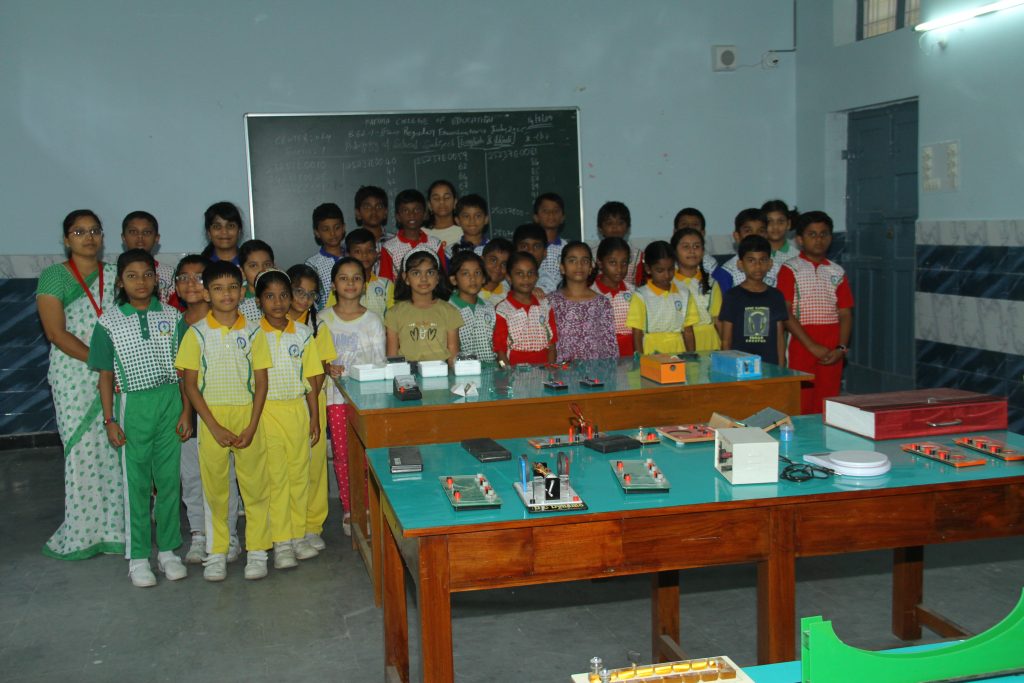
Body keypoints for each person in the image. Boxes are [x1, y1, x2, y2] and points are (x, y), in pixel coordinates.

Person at [88, 249, 187, 587]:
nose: (141, 282)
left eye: (147, 275)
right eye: (132, 276)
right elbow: (104, 375)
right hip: (133, 405)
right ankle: (139, 557)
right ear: (121, 282)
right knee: (138, 484)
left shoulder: (173, 316)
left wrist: (186, 410)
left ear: (156, 279)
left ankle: (168, 551)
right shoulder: (109, 322)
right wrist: (109, 420)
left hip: (170, 400)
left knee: (169, 481)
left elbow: (185, 370)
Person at [174, 260, 274, 582]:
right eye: (217, 288)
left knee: (255, 487)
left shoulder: (255, 331)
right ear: (206, 293)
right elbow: (190, 385)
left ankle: (257, 551)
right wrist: (213, 426)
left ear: (243, 292)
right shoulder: (196, 333)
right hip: (211, 418)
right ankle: (216, 552)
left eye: (232, 287)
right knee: (215, 490)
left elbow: (262, 383)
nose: (226, 294)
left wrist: (252, 425)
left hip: (247, 416)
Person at [36, 210, 124, 560]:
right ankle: (84, 532)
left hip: (117, 374)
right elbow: (55, 333)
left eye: (94, 230)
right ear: (66, 239)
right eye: (79, 231)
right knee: (82, 451)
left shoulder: (115, 274)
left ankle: (118, 530)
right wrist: (101, 362)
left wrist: (116, 367)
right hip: (74, 373)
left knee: (116, 450)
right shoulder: (54, 276)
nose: (88, 237)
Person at [172, 255, 241, 566]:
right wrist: (184, 413)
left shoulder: (228, 324)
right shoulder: (173, 324)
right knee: (192, 477)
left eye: (199, 277)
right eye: (183, 278)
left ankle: (229, 534)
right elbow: (181, 376)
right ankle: (199, 534)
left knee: (225, 478)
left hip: (223, 410)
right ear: (175, 287)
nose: (191, 284)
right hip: (185, 413)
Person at [254, 269, 323, 569]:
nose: (278, 302)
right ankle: (281, 542)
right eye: (270, 296)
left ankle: (298, 535)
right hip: (267, 412)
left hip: (297, 410)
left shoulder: (304, 333)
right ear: (258, 301)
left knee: (299, 474)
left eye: (284, 295)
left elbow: (313, 378)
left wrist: (314, 417)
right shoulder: (252, 334)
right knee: (276, 478)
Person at [321, 257, 386, 536]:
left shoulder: (373, 320)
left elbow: (380, 363)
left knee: (367, 455)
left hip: (366, 401)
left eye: (356, 278)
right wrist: (326, 367)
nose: (350, 283)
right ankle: (350, 509)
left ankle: (368, 507)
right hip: (335, 399)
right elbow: (314, 360)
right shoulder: (322, 319)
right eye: (344, 278)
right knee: (343, 456)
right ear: (333, 284)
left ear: (365, 284)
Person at [776, 211, 854, 414]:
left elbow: (845, 314)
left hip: (832, 342)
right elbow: (785, 311)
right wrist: (811, 345)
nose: (818, 239)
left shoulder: (837, 272)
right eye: (812, 234)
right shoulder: (791, 269)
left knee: (828, 400)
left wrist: (841, 348)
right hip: (801, 341)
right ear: (800, 239)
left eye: (823, 234)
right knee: (801, 399)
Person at [285, 263, 337, 550]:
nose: (304, 299)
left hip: (313, 402)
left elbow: (323, 367)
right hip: (282, 403)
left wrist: (311, 406)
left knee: (314, 467)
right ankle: (289, 526)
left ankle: (311, 525)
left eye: (311, 294)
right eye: (298, 292)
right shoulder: (272, 323)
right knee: (287, 468)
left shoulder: (318, 326)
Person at [719, 235, 788, 365]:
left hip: (770, 366)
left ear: (770, 264)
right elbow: (726, 340)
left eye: (763, 260)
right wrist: (728, 367)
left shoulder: (776, 296)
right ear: (740, 264)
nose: (758, 266)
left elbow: (780, 337)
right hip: (740, 367)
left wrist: (781, 367)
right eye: (751, 260)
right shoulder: (732, 296)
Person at [384, 250, 462, 362]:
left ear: (438, 277)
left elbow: (453, 356)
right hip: (407, 371)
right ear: (406, 278)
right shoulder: (394, 313)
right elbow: (392, 357)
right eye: (416, 273)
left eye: (430, 272)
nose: (424, 279)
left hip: (441, 371)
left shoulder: (450, 311)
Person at [548, 241, 617, 362]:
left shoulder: (602, 303)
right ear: (562, 267)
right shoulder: (550, 302)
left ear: (590, 268)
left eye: (584, 261)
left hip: (595, 370)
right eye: (572, 260)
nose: (579, 265)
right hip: (562, 370)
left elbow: (610, 344)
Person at [627, 240, 697, 355]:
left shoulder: (684, 294)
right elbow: (637, 333)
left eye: (671, 269)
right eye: (660, 270)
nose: (667, 275)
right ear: (648, 269)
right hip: (651, 352)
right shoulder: (641, 296)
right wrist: (640, 359)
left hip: (678, 350)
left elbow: (688, 331)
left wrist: (692, 356)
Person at [493, 252, 558, 366]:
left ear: (537, 276)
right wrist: (506, 371)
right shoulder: (502, 310)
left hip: (544, 370)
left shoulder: (545, 306)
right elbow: (500, 352)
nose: (526, 278)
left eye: (530, 273)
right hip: (514, 372)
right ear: (509, 277)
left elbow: (552, 345)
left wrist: (551, 368)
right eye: (519, 273)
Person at [378, 189, 446, 281]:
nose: (412, 215)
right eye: (405, 211)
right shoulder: (389, 248)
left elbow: (442, 278)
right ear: (398, 217)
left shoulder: (435, 244)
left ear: (425, 214)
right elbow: (385, 282)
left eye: (417, 210)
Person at [672, 228, 722, 351]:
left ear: (703, 251)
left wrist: (727, 347)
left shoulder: (711, 282)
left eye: (696, 246)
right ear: (674, 252)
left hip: (710, 342)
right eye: (686, 247)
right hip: (680, 342)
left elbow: (718, 320)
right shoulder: (670, 283)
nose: (692, 251)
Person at [714, 208, 779, 293]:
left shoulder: (777, 268)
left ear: (767, 235)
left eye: (761, 231)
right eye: (748, 231)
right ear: (737, 236)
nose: (755, 235)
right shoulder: (726, 272)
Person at [447, 251, 497, 362]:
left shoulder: (489, 307)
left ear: (484, 278)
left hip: (492, 368)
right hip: (464, 370)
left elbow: (497, 345)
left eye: (477, 273)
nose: (473, 278)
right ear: (454, 280)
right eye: (465, 273)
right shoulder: (448, 309)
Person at [592, 237, 636, 357]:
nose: (619, 269)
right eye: (612, 262)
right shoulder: (591, 293)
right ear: (600, 263)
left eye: (624, 263)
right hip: (602, 354)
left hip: (630, 352)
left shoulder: (633, 292)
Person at [121, 210, 175, 304]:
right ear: (123, 237)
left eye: (147, 232)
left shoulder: (169, 273)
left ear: (156, 238)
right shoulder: (113, 272)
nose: (140, 237)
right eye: (133, 232)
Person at [305, 202, 346, 310]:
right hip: (324, 317)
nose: (332, 233)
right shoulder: (312, 264)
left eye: (337, 227)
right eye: (326, 229)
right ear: (317, 233)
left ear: (343, 228)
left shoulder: (353, 257)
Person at [345, 228, 393, 317]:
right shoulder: (342, 285)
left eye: (370, 250)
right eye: (358, 251)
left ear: (376, 253)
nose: (364, 255)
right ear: (348, 255)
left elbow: (392, 316)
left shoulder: (386, 284)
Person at [593, 201, 644, 286]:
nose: (615, 228)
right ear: (600, 228)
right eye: (609, 223)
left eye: (620, 223)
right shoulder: (591, 255)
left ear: (628, 228)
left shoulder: (638, 256)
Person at [533, 193, 566, 294]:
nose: (551, 214)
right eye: (545, 211)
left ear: (562, 217)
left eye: (556, 211)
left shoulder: (566, 248)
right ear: (536, 217)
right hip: (534, 296)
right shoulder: (529, 247)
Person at [672, 207, 719, 276]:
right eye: (684, 224)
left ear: (703, 233)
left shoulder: (709, 263)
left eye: (695, 225)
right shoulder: (667, 261)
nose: (689, 228)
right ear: (675, 232)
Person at [238, 239, 275, 323]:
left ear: (274, 267)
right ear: (242, 271)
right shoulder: (238, 299)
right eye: (253, 266)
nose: (261, 270)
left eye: (267, 264)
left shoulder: (284, 296)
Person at [423, 179, 463, 247]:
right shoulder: (422, 233)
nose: (442, 202)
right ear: (429, 205)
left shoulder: (465, 231)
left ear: (455, 202)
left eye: (446, 198)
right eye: (436, 198)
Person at [353, 185, 392, 255]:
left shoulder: (394, 240)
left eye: (379, 206)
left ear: (385, 212)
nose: (374, 211)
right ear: (358, 213)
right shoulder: (351, 243)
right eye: (367, 207)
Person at [448, 194, 490, 258]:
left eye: (478, 216)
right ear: (457, 221)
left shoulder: (493, 249)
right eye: (466, 216)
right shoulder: (450, 251)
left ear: (486, 219)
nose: (472, 220)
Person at [761, 199, 797, 263]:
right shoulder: (755, 252)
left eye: (781, 221)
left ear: (788, 224)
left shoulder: (797, 253)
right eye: (769, 222)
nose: (775, 227)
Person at [480, 237, 512, 304]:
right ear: (482, 260)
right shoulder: (469, 290)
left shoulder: (508, 296)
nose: (498, 267)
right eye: (493, 260)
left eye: (504, 264)